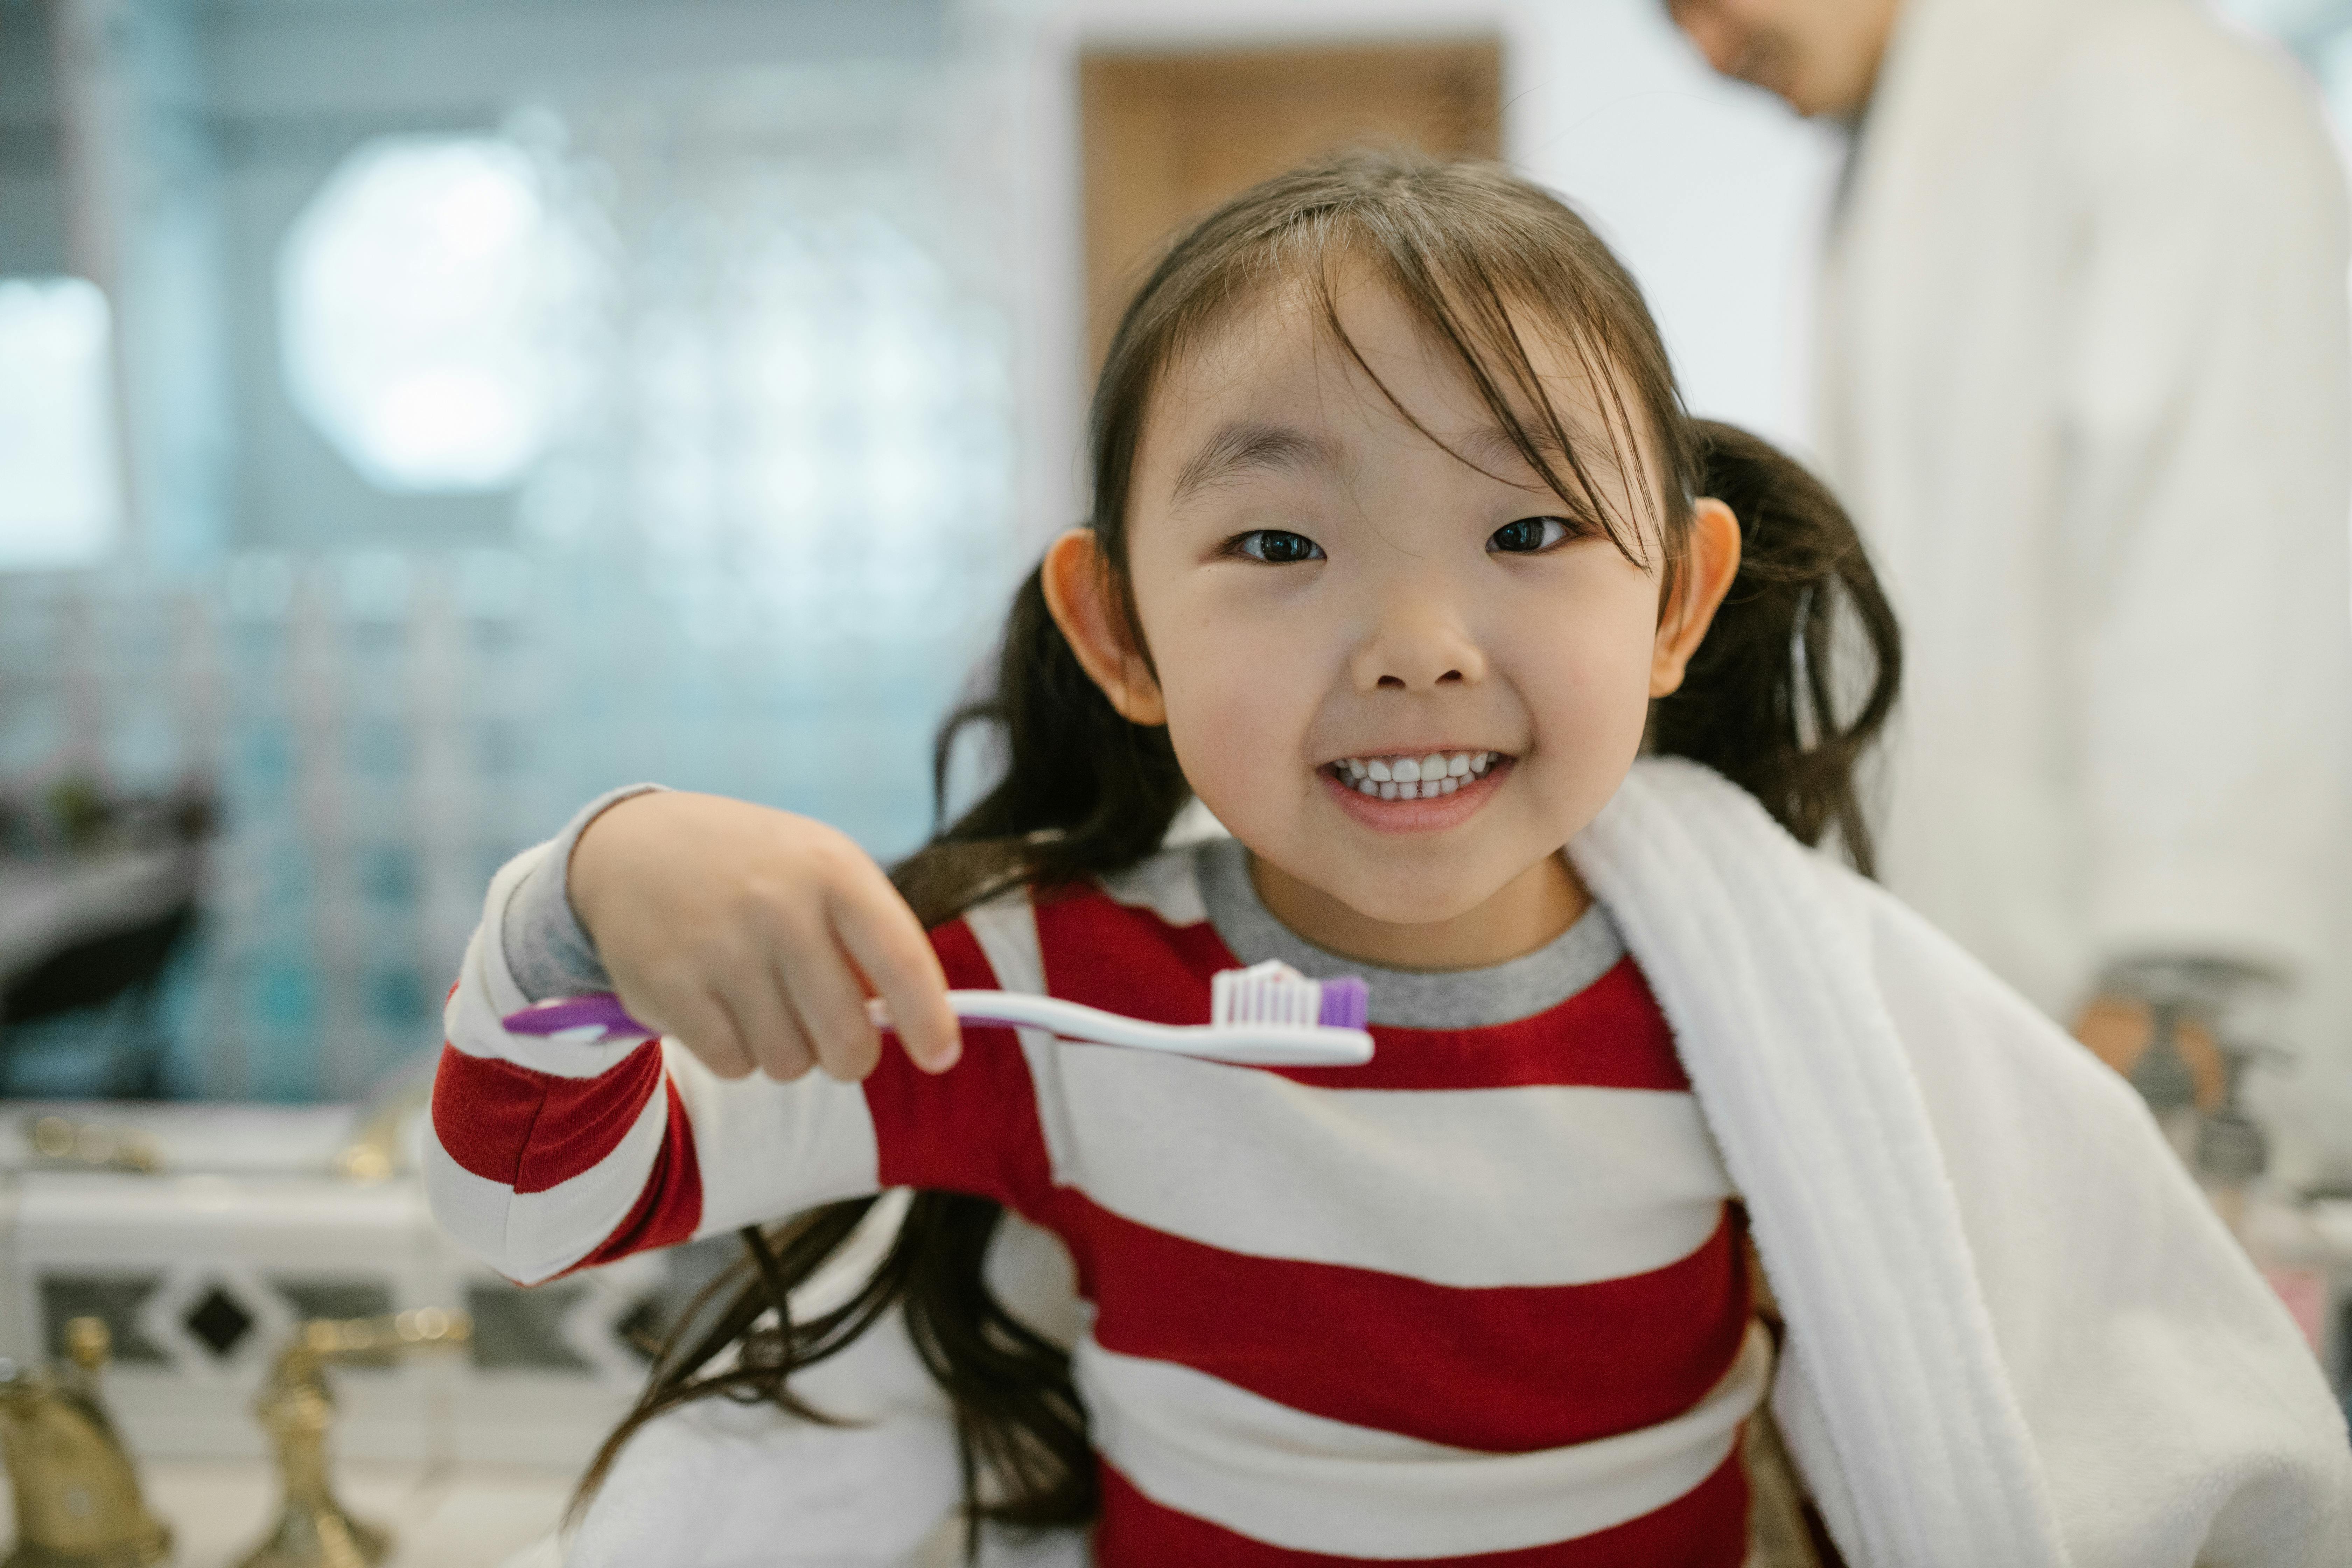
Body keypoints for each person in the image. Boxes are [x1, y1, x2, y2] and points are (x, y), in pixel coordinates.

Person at [425, 153, 2350, 1565]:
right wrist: (585, 897)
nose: (1417, 640)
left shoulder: (1780, 1011)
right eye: (1279, 548)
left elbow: (2050, 1372)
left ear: (1676, 600)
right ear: (1119, 635)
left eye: (1527, 535)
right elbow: (530, 1210)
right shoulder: (1045, 998)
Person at [1664, 0, 2352, 1148]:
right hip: (2012, 1025)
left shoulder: (2161, 94)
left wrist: (2179, 976)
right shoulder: (1912, 150)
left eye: (1697, 0)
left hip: (2163, 1026)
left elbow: (2239, 566)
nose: (1706, 50)